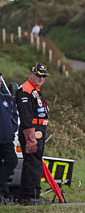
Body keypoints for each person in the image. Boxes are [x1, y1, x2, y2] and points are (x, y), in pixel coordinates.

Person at [15, 63, 50, 205]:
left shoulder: (35, 89)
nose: (41, 78)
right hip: (31, 131)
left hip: (38, 130)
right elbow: (26, 116)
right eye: (38, 75)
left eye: (43, 76)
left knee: (35, 162)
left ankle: (29, 195)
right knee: (33, 163)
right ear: (31, 74)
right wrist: (30, 138)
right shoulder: (25, 90)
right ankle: (30, 196)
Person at [0, 71, 18, 205]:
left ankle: (4, 194)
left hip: (6, 138)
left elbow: (14, 114)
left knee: (12, 161)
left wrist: (12, 129)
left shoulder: (6, 95)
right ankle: (4, 195)